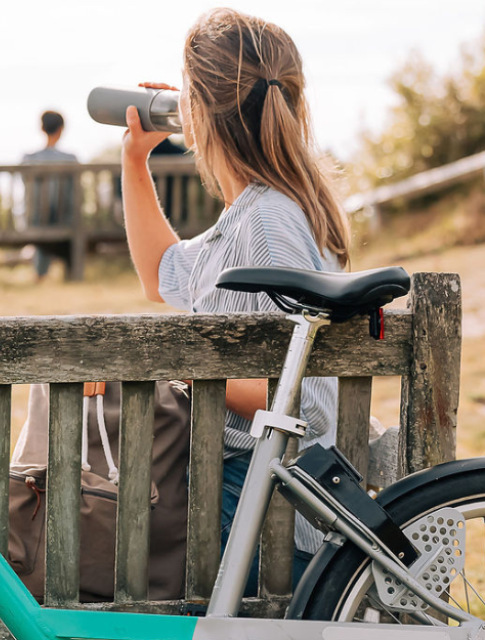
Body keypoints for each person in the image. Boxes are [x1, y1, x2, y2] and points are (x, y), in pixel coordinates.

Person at [121, 8, 350, 593]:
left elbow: (307, 398)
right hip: (246, 490)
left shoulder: (270, 222)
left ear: (197, 108)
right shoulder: (248, 215)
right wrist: (134, 158)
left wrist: (195, 373)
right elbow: (160, 274)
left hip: (267, 508)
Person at [22, 110, 78, 280]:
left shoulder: (29, 159)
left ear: (42, 128)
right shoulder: (71, 159)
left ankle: (40, 274)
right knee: (62, 218)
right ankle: (71, 273)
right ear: (61, 129)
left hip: (36, 219)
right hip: (64, 219)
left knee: (42, 221)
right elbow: (74, 192)